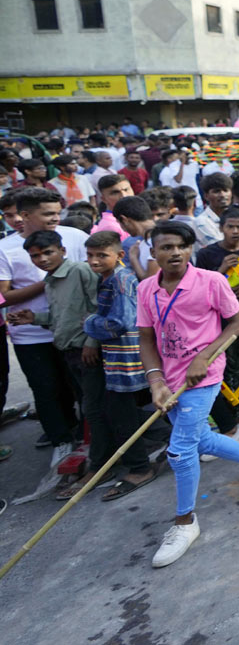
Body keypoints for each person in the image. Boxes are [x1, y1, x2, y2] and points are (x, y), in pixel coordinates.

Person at [136, 221, 239, 568]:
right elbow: (146, 338)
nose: (174, 252)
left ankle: (185, 522)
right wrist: (155, 381)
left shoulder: (211, 281)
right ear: (153, 252)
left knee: (180, 450)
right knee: (201, 439)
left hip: (203, 376)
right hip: (170, 378)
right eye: (166, 247)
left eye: (181, 246)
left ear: (190, 249)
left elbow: (237, 324)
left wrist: (205, 356)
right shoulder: (146, 289)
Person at [0, 187, 89, 467]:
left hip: (76, 332)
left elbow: (96, 273)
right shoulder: (5, 249)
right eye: (47, 213)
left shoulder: (74, 237)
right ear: (25, 215)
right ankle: (61, 442)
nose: (56, 218)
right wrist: (52, 278)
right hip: (30, 336)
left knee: (82, 388)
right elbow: (4, 296)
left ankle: (91, 439)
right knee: (47, 390)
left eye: (57, 212)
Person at [7, 230, 100, 492]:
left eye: (48, 252)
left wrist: (92, 343)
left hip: (85, 350)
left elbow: (96, 308)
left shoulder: (80, 271)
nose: (42, 259)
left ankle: (104, 461)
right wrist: (33, 319)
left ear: (62, 250)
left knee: (94, 406)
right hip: (69, 351)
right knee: (87, 403)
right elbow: (62, 318)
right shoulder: (50, 280)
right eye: (35, 256)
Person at [81, 230, 159, 500]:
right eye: (90, 256)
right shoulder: (111, 278)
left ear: (119, 255)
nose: (94, 261)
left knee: (121, 413)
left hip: (127, 356)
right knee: (124, 410)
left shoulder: (121, 281)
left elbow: (120, 322)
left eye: (101, 256)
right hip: (118, 356)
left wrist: (88, 322)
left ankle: (140, 468)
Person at [192, 172, 233, 248]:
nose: (223, 195)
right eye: (217, 191)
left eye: (225, 190)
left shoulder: (235, 217)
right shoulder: (201, 222)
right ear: (206, 196)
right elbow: (222, 249)